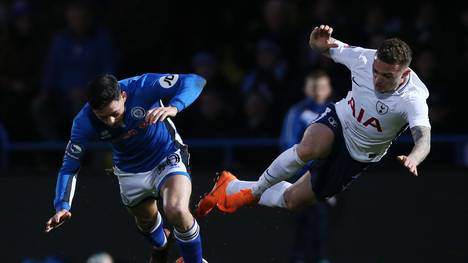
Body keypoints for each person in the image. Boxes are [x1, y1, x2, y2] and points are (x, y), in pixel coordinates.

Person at [197, 25, 431, 226]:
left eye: (387, 76)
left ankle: (230, 187)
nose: (377, 80)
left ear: (404, 73)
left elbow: (423, 138)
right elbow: (321, 46)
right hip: (339, 120)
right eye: (375, 72)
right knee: (309, 148)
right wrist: (316, 42)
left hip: (358, 156)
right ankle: (255, 190)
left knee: (291, 200)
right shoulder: (363, 57)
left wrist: (414, 157)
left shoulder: (413, 98)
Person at [44, 73, 207, 263]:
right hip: (129, 171)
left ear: (123, 96)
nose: (111, 122)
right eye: (103, 117)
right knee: (146, 222)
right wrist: (62, 206)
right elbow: (69, 166)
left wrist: (175, 106)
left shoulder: (144, 86)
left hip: (166, 154)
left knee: (176, 209)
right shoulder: (83, 122)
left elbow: (195, 80)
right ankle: (161, 246)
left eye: (114, 113)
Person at [279, 71, 333, 263]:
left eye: (322, 87)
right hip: (300, 178)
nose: (318, 91)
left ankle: (322, 258)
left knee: (322, 226)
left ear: (328, 89)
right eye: (314, 87)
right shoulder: (297, 112)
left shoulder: (335, 111)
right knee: (300, 226)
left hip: (326, 178)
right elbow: (288, 143)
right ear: (306, 89)